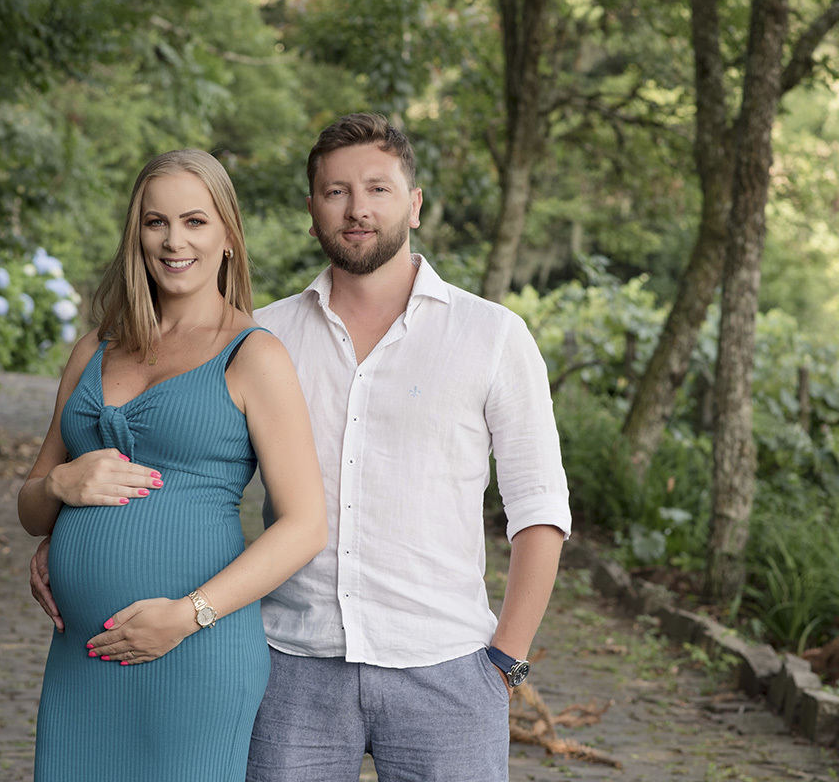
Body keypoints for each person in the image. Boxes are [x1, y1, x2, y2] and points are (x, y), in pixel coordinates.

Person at [31, 114, 571, 781]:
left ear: (416, 204)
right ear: (311, 213)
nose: (357, 208)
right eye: (335, 192)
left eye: (377, 188)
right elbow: (182, 460)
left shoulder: (492, 336)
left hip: (444, 666)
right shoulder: (264, 334)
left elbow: (540, 509)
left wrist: (504, 661)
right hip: (293, 665)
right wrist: (63, 536)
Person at [17, 148, 326, 782]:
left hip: (194, 651)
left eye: (194, 221)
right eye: (156, 223)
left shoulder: (253, 354)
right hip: (82, 656)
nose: (173, 240)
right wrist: (58, 484)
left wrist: (186, 616)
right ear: (137, 234)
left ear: (227, 238)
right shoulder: (94, 349)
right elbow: (29, 509)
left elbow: (305, 525)